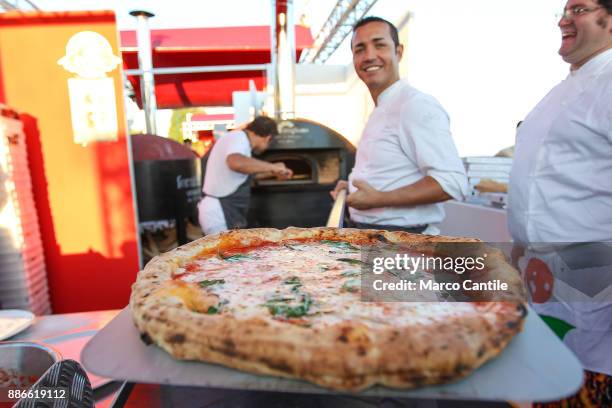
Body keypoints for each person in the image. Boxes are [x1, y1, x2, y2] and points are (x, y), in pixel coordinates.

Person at [507, 0, 612, 405]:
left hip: (595, 282)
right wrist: (520, 244)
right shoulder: (566, 87)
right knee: (549, 382)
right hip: (544, 274)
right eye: (564, 8)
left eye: (580, 8)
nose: (564, 19)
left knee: (586, 387)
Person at [330, 17, 467, 234]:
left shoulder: (415, 105)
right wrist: (352, 187)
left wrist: (379, 199)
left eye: (379, 44)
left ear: (399, 52)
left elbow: (452, 182)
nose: (369, 56)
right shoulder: (381, 109)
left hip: (403, 245)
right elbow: (392, 172)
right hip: (373, 238)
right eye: (360, 49)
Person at [198, 116, 292, 235]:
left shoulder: (239, 140)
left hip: (221, 210)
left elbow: (245, 176)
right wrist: (273, 167)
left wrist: (274, 172)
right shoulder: (239, 138)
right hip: (219, 212)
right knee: (224, 252)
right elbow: (236, 163)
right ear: (268, 138)